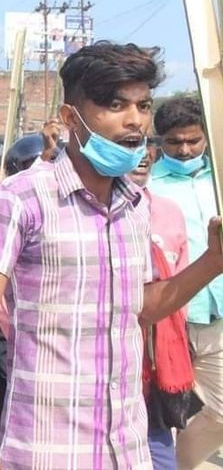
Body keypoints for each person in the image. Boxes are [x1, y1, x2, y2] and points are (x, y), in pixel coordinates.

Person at [0, 41, 223, 470]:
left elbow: (143, 306)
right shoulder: (21, 198)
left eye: (143, 105)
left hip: (127, 448)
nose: (134, 120)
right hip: (48, 448)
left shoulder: (135, 204)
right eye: (115, 105)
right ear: (70, 117)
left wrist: (212, 262)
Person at [146, 96, 223, 469]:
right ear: (160, 140)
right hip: (167, 316)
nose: (185, 150)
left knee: (220, 413)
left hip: (216, 316)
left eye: (193, 140)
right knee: (164, 412)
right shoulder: (147, 187)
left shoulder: (219, 179)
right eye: (174, 142)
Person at [127, 137, 195, 470]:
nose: (141, 156)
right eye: (129, 147)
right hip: (104, 356)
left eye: (144, 147)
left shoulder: (167, 211)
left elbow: (179, 279)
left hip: (156, 356)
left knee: (159, 446)